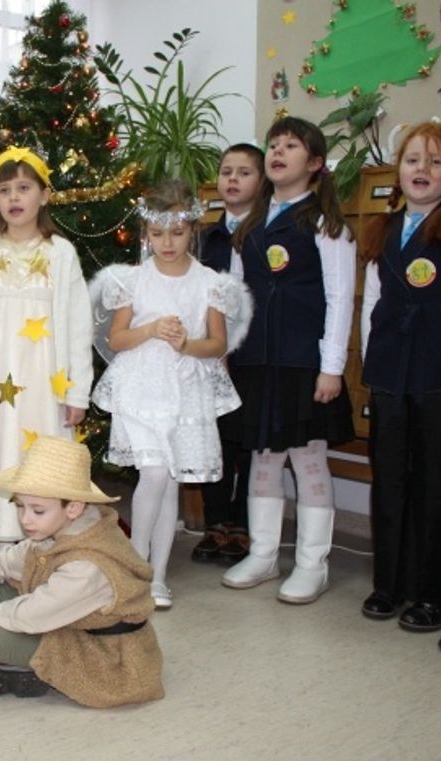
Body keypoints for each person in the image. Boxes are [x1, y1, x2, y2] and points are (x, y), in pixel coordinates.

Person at [91, 180, 252, 609]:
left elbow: (217, 344)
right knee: (154, 474)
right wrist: (150, 329)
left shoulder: (210, 284)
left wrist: (185, 344)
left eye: (177, 233)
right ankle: (135, 569)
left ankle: (158, 577)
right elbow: (117, 339)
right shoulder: (132, 280)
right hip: (141, 387)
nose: (167, 242)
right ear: (146, 232)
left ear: (192, 230)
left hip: (184, 389)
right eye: (158, 233)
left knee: (170, 480)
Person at [221, 116, 357, 604]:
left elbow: (340, 298)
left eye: (291, 146)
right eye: (273, 145)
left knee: (307, 457)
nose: (278, 152)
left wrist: (331, 367)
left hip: (304, 363)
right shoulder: (250, 226)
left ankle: (311, 563)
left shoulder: (326, 225)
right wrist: (229, 350)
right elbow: (236, 296)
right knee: (263, 457)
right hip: (258, 361)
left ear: (315, 162)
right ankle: (262, 555)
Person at [359, 123, 441, 631]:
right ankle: (389, 583)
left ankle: (436, 593)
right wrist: (372, 367)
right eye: (413, 160)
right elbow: (372, 303)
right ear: (399, 170)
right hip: (390, 370)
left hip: (437, 370)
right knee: (389, 476)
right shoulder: (384, 226)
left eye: (436, 162)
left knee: (434, 480)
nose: (422, 170)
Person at [0, 146, 93, 551]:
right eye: (5, 190)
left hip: (45, 385)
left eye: (24, 188)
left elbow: (79, 328)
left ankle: (44, 548)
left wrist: (77, 392)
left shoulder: (61, 253)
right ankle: (3, 549)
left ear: (44, 195)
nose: (14, 198)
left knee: (42, 456)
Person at [0, 436, 163, 707]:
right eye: (20, 506)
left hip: (100, 654)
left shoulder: (88, 566)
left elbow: (29, 616)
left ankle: (27, 670)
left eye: (37, 511)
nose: (26, 520)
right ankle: (22, 670)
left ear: (73, 507)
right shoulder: (61, 528)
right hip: (62, 618)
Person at [193, 143, 266, 566]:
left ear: (262, 182)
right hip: (211, 355)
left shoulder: (268, 236)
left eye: (244, 172)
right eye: (226, 172)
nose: (233, 179)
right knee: (215, 438)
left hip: (255, 353)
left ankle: (243, 522)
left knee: (249, 440)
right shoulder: (206, 238)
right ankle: (215, 522)